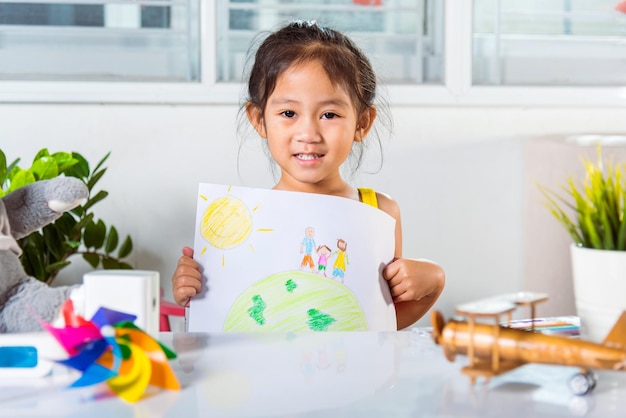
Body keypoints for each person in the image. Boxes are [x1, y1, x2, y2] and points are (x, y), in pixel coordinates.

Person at [171, 20, 445, 330]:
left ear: (362, 123)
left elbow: (380, 320)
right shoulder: (239, 224)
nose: (308, 133)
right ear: (259, 119)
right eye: (289, 113)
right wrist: (189, 289)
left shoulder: (378, 212)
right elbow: (223, 317)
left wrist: (432, 283)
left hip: (347, 374)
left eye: (329, 114)